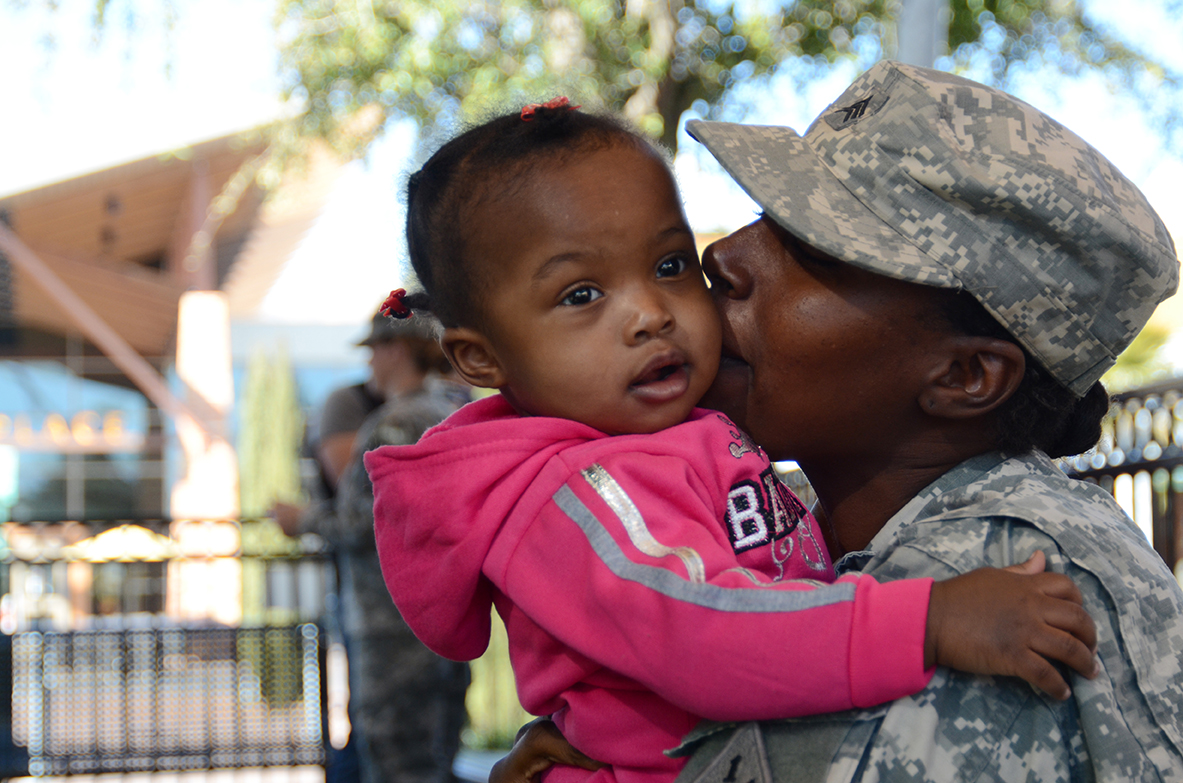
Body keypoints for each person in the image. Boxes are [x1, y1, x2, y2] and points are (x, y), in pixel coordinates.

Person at [363, 98, 1098, 783]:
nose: (653, 310)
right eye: (581, 294)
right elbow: (702, 634)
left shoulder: (1014, 549)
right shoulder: (578, 489)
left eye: (668, 264)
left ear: (965, 374)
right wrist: (927, 620)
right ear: (481, 359)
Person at [279, 312, 472, 783]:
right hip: (446, 620)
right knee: (436, 757)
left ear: (396, 350)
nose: (369, 363)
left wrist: (301, 519)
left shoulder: (394, 423)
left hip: (390, 629)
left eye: (374, 350)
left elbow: (364, 520)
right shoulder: (455, 412)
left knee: (395, 761)